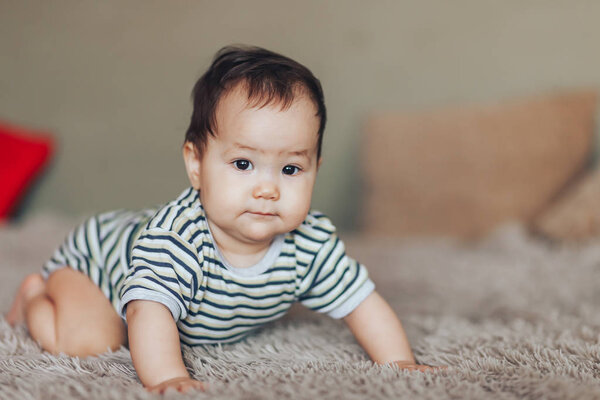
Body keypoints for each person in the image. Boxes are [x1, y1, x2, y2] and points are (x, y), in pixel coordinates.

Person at [6, 45, 441, 394]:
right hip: (97, 266)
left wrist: (399, 362)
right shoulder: (177, 239)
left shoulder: (311, 241)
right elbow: (149, 314)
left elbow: (363, 303)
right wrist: (167, 378)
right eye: (243, 164)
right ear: (196, 164)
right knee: (90, 342)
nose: (267, 188)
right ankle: (35, 298)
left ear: (315, 170)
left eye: (290, 169)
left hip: (128, 264)